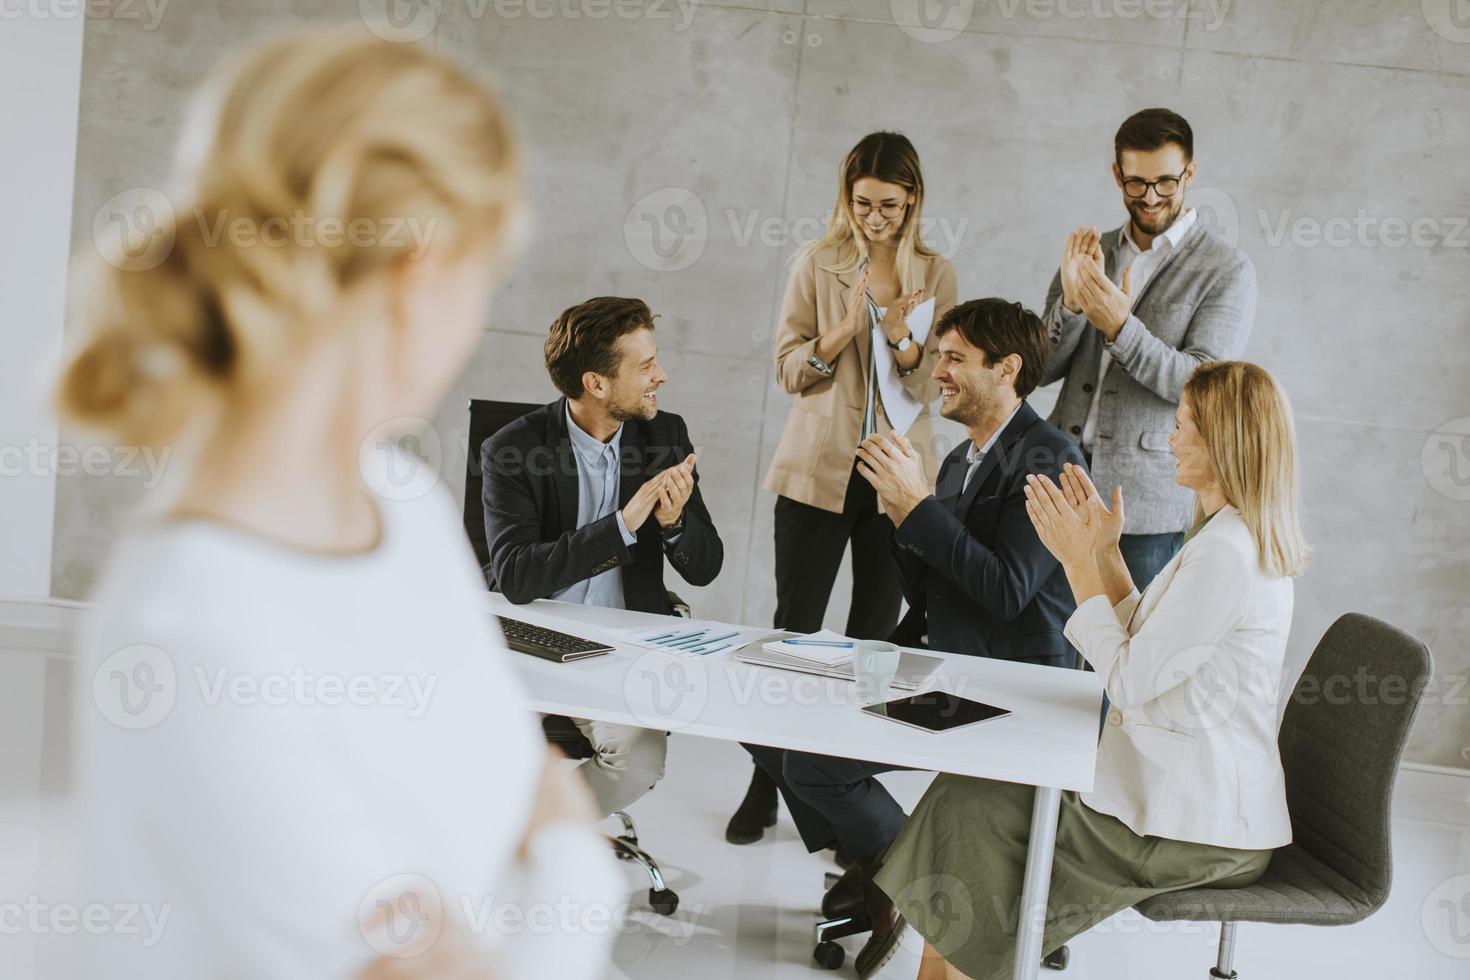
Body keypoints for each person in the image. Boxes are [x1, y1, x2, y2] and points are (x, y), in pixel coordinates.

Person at [52, 29, 618, 980]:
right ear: (422, 272)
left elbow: (520, 786)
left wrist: (531, 858)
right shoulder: (192, 635)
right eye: (485, 281)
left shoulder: (402, 502)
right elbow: (539, 809)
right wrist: (575, 867)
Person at [876, 361, 1310, 980]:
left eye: (1183, 426)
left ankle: (958, 965)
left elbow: (1130, 680)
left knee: (974, 810)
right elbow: (1154, 642)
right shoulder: (1224, 538)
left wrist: (1080, 565)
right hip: (1182, 798)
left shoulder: (1227, 555)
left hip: (1197, 830)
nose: (1170, 438)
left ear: (1224, 443)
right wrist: (1103, 555)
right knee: (967, 795)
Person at [746, 298, 1083, 979]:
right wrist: (899, 513)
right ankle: (889, 869)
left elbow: (1005, 591)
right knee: (767, 714)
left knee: (816, 764)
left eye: (955, 358)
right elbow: (937, 583)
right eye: (940, 356)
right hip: (941, 663)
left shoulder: (1048, 455)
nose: (938, 371)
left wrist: (918, 507)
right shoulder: (962, 458)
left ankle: (904, 877)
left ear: (1007, 369)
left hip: (1003, 687)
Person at [726, 130, 958, 848]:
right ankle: (766, 782)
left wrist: (901, 339)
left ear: (912, 198)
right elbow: (788, 368)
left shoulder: (938, 274)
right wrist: (839, 335)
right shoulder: (817, 262)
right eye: (862, 203)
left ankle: (843, 797)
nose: (874, 217)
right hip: (814, 475)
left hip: (896, 480)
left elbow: (939, 384)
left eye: (889, 204)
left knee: (873, 645)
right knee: (792, 633)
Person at [483, 296, 723, 816]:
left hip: (619, 647)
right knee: (449, 738)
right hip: (528, 636)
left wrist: (674, 522)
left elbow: (705, 567)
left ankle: (522, 837)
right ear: (597, 383)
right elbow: (517, 577)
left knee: (637, 760)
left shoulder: (664, 435)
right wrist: (624, 523)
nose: (661, 374)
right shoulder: (514, 448)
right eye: (645, 366)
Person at [1041, 107, 1257, 592]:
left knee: (1126, 644)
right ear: (1118, 174)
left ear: (1190, 174)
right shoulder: (1092, 250)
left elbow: (1202, 382)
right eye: (1136, 183)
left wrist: (1120, 327)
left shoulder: (1226, 270)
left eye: (1166, 182)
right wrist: (1072, 306)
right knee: (1048, 644)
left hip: (1148, 501)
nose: (1151, 197)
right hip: (1060, 478)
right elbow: (1037, 369)